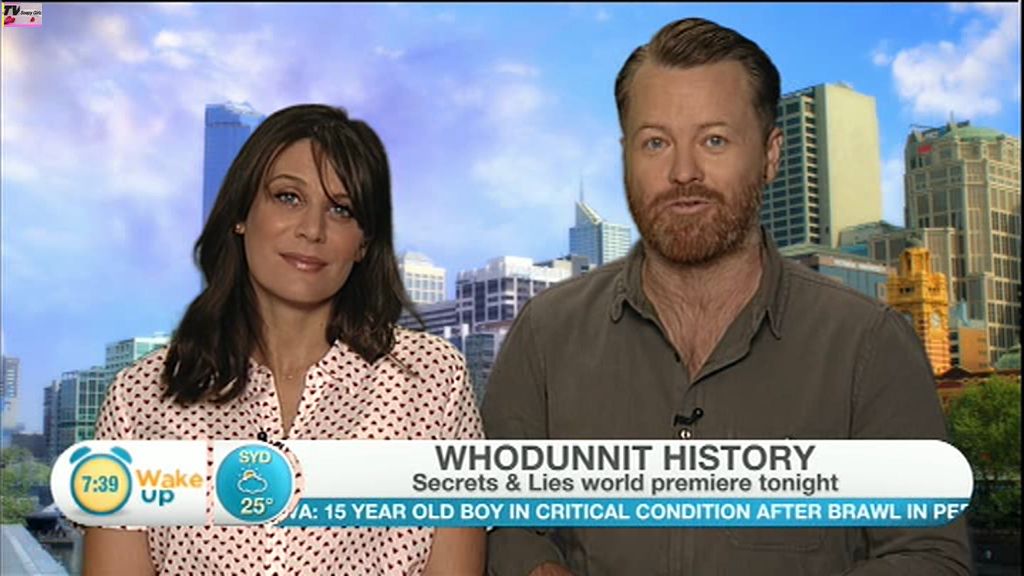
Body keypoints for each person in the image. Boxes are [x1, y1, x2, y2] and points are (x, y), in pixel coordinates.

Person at [482, 17, 972, 576]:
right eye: (656, 142)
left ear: (770, 154)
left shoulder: (868, 345)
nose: (683, 172)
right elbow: (496, 520)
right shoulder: (546, 333)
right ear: (625, 156)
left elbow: (928, 556)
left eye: (714, 140)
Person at [84, 104, 485, 575]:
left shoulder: (432, 381)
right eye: (288, 197)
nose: (312, 230)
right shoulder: (142, 397)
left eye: (341, 209)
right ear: (240, 214)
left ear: (363, 242)